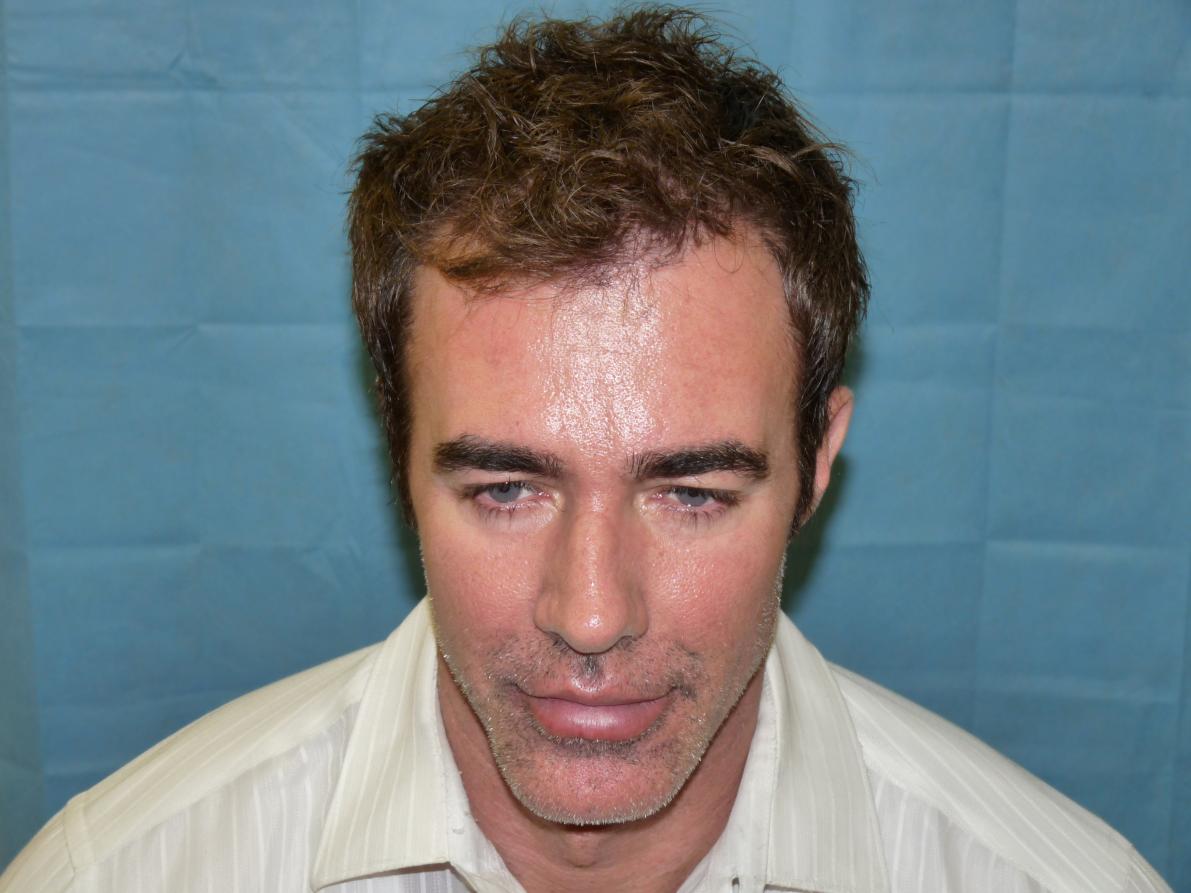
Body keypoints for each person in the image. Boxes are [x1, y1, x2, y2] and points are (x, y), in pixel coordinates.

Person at [1, 7, 1172, 893]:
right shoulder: (111, 872)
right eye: (508, 487)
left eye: (692, 491)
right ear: (398, 452)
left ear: (818, 461)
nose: (594, 615)